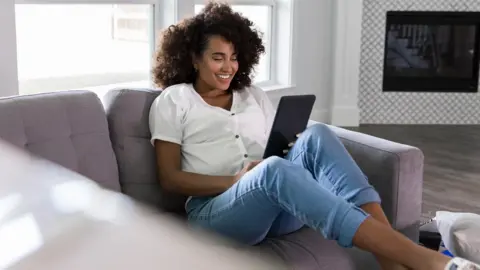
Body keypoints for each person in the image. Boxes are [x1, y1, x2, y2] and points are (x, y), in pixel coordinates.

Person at [148, 2, 479, 270]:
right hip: (215, 215)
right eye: (217, 57)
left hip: (273, 207)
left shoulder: (253, 96)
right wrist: (236, 180)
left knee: (315, 134)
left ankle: (391, 263)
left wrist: (283, 154)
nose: (228, 67)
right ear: (194, 57)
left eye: (234, 58)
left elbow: (271, 154)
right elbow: (170, 179)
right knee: (273, 169)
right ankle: (422, 258)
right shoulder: (175, 100)